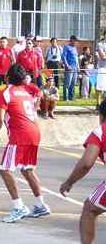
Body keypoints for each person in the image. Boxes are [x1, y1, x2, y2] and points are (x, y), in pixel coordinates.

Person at [0, 64, 50, 223]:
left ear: (7, 77)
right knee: (27, 170)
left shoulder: (5, 93)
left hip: (20, 135)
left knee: (5, 170)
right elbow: (34, 117)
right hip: (34, 132)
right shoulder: (26, 93)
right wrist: (36, 136)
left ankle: (19, 206)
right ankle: (41, 204)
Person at [60, 99, 106, 244]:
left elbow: (86, 164)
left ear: (101, 115)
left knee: (90, 209)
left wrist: (69, 182)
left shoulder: (101, 131)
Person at [62, 35, 80, 101]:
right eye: (75, 41)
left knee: (73, 83)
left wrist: (78, 67)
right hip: (69, 68)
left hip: (75, 68)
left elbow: (76, 59)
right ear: (71, 40)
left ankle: (71, 97)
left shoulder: (75, 48)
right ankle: (66, 98)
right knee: (67, 83)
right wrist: (67, 65)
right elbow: (63, 57)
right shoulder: (66, 47)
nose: (76, 42)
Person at [96, 33, 106, 110]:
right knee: (100, 88)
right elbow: (103, 56)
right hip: (102, 68)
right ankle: (98, 105)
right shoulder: (100, 44)